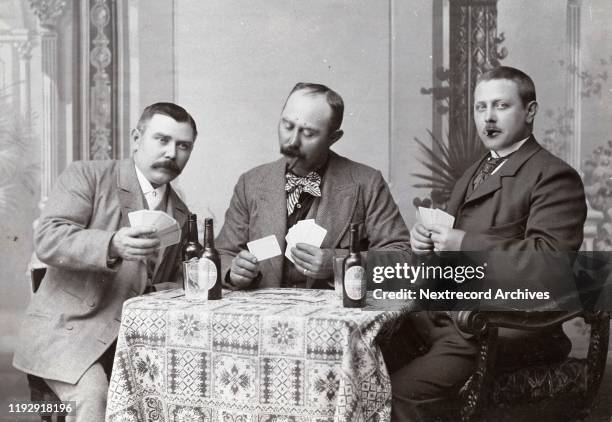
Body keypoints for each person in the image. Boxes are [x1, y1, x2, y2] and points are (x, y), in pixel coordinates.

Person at [392, 66, 587, 420]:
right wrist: (426, 245)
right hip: (448, 318)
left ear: (530, 112)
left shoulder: (552, 176)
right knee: (366, 366)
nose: (488, 118)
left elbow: (549, 265)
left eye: (501, 106)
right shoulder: (477, 170)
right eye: (481, 108)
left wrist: (463, 241)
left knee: (405, 394)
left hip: (506, 328)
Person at [13, 102, 198, 421]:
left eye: (183, 146)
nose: (171, 153)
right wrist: (111, 244)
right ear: (137, 138)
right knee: (93, 396)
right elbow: (48, 238)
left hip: (129, 342)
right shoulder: (88, 176)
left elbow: (162, 283)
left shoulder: (179, 213)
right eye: (162, 140)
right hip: (67, 333)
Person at [216, 82, 410, 289]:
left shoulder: (367, 183)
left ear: (333, 138)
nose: (291, 142)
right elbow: (222, 254)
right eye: (287, 126)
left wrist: (337, 264)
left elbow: (402, 257)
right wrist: (232, 271)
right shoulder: (251, 183)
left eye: (308, 133)